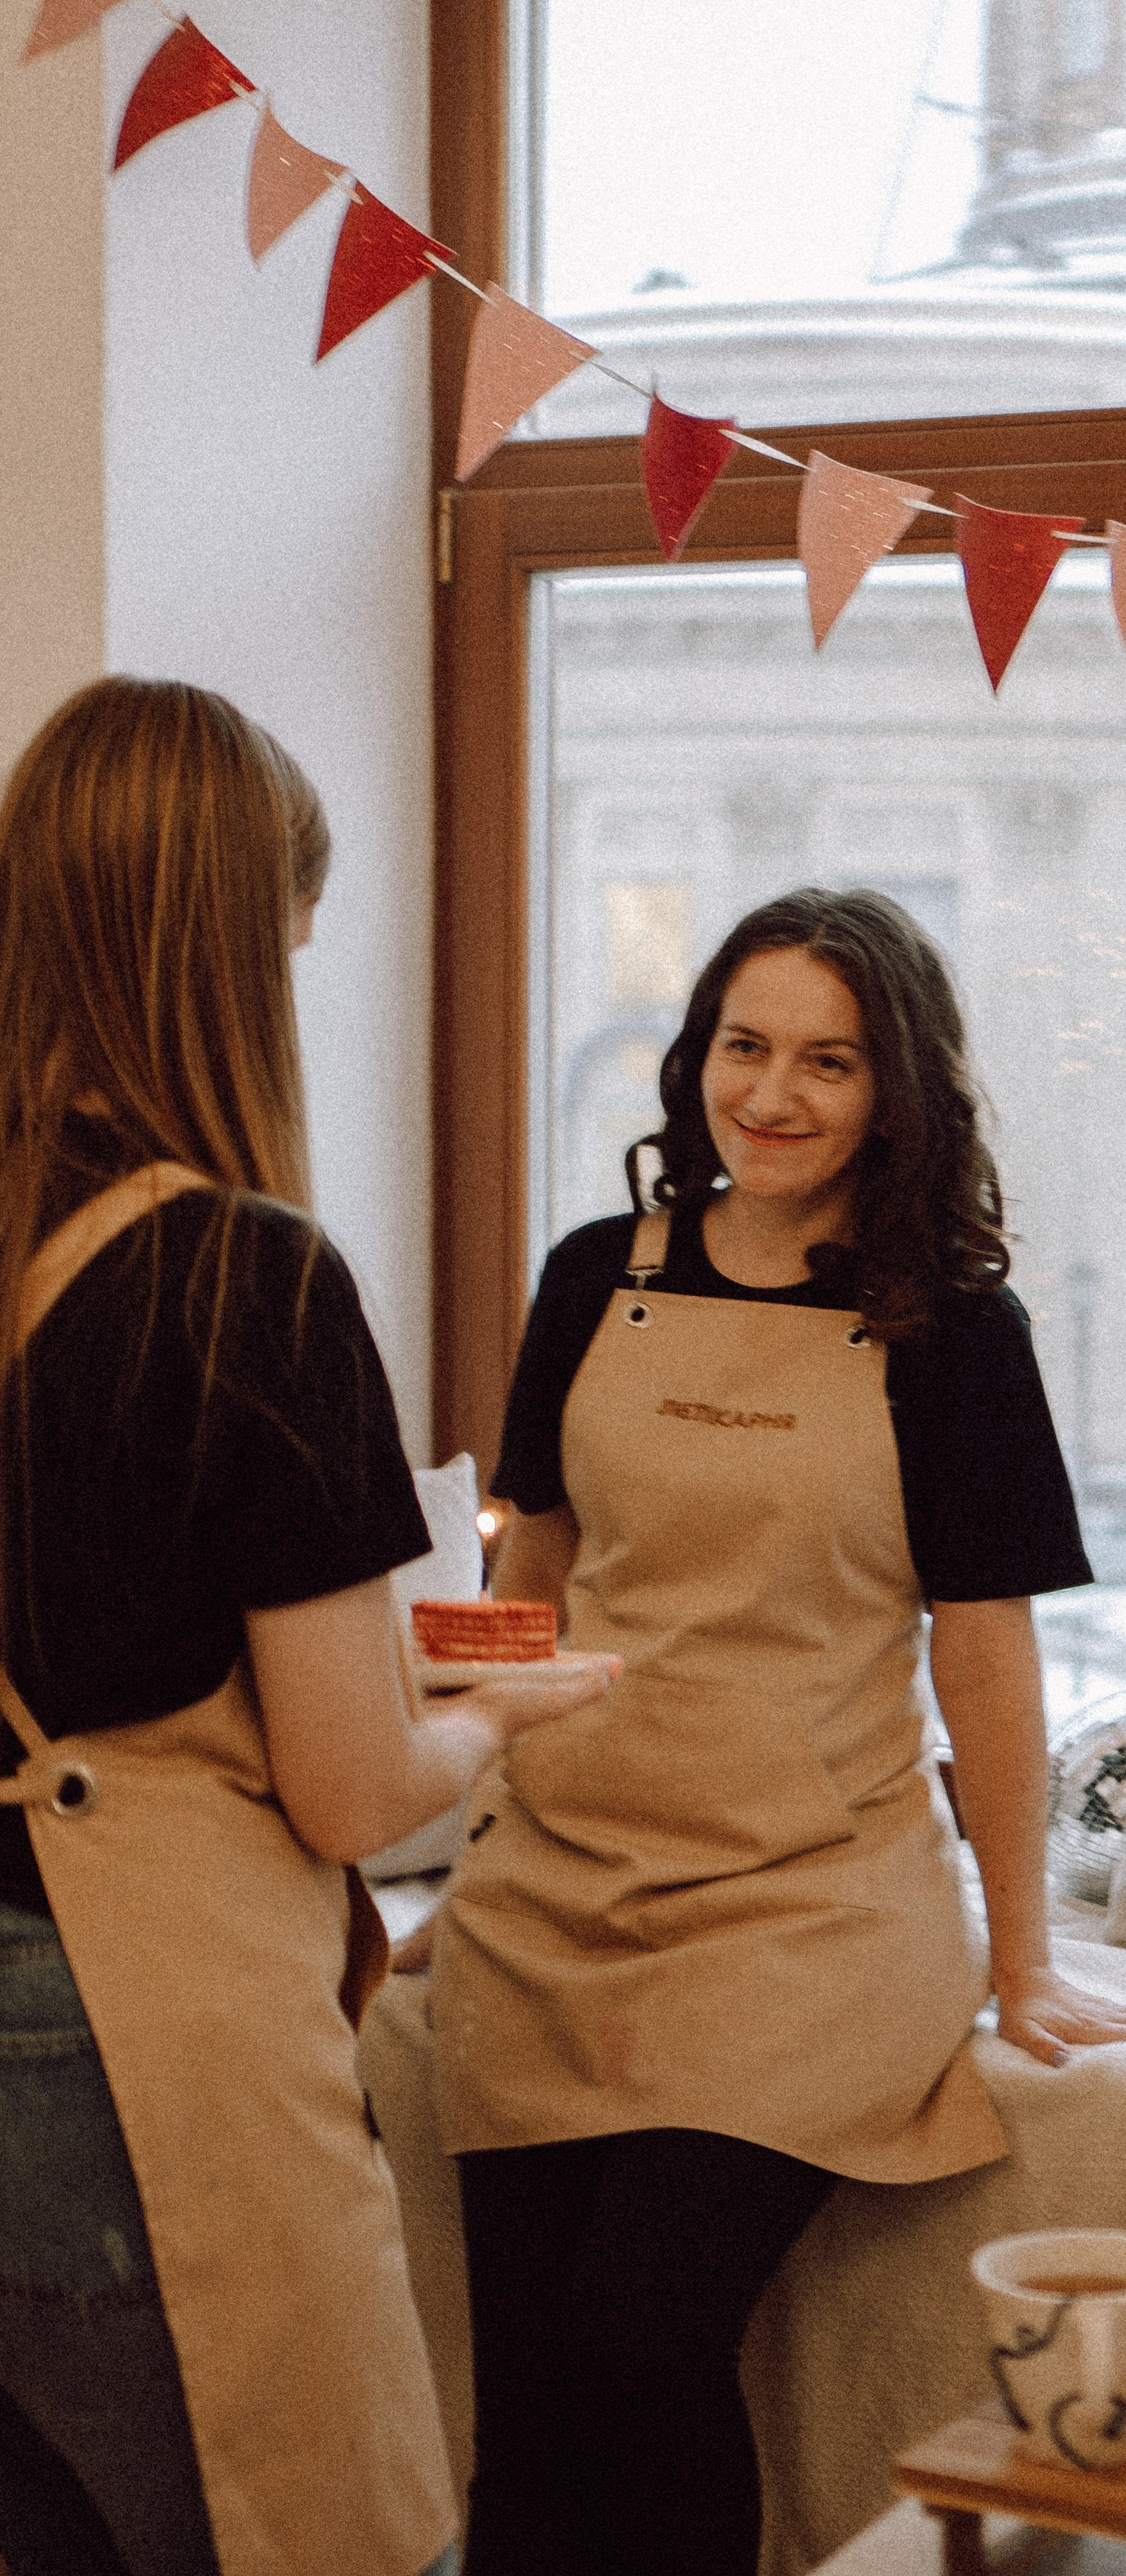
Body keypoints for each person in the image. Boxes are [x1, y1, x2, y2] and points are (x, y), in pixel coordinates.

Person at [432, 887, 1126, 2576]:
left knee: (639, 2339)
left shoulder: (950, 1333)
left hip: (808, 1909)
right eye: (743, 1045)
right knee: (532, 2408)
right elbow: (533, 1580)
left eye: (826, 1062)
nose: (771, 1094)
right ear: (695, 1053)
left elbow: (985, 1668)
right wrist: (446, 1798)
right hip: (553, 1899)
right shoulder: (588, 1277)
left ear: (893, 1089)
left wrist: (1021, 1960)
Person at [0, 676, 615, 2576]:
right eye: (289, 928)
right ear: (220, 948)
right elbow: (348, 1785)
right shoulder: (242, 1282)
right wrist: (517, 1703)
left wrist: (459, 1658)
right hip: (124, 2045)